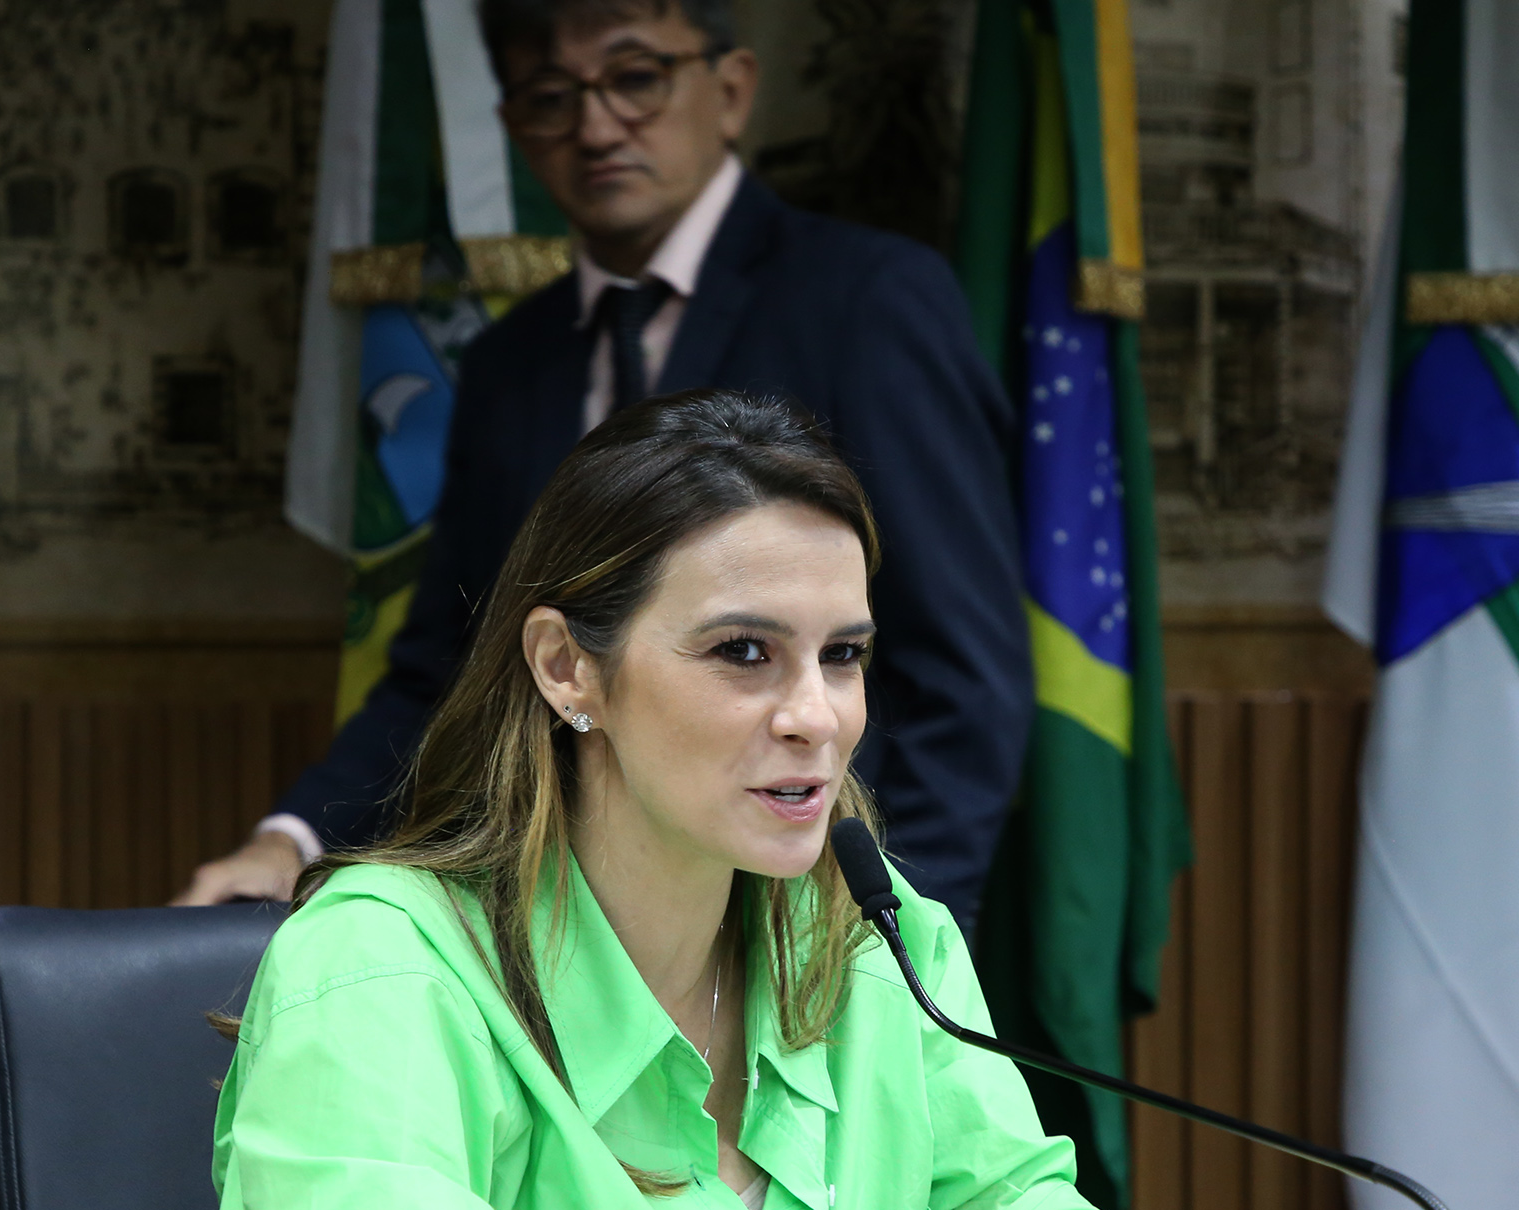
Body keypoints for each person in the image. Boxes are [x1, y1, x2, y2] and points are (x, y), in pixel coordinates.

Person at [210, 392, 1519, 1210]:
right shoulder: (383, 971)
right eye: (743, 654)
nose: (815, 717)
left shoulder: (875, 940)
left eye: (844, 656)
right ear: (569, 668)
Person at [175, 0, 1030, 931]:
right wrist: (292, 837)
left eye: (635, 78)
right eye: (551, 96)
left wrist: (887, 943)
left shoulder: (868, 302)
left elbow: (965, 681)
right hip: (555, 924)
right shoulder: (509, 362)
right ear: (512, 125)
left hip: (811, 916)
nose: (594, 127)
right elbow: (453, 666)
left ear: (731, 90)